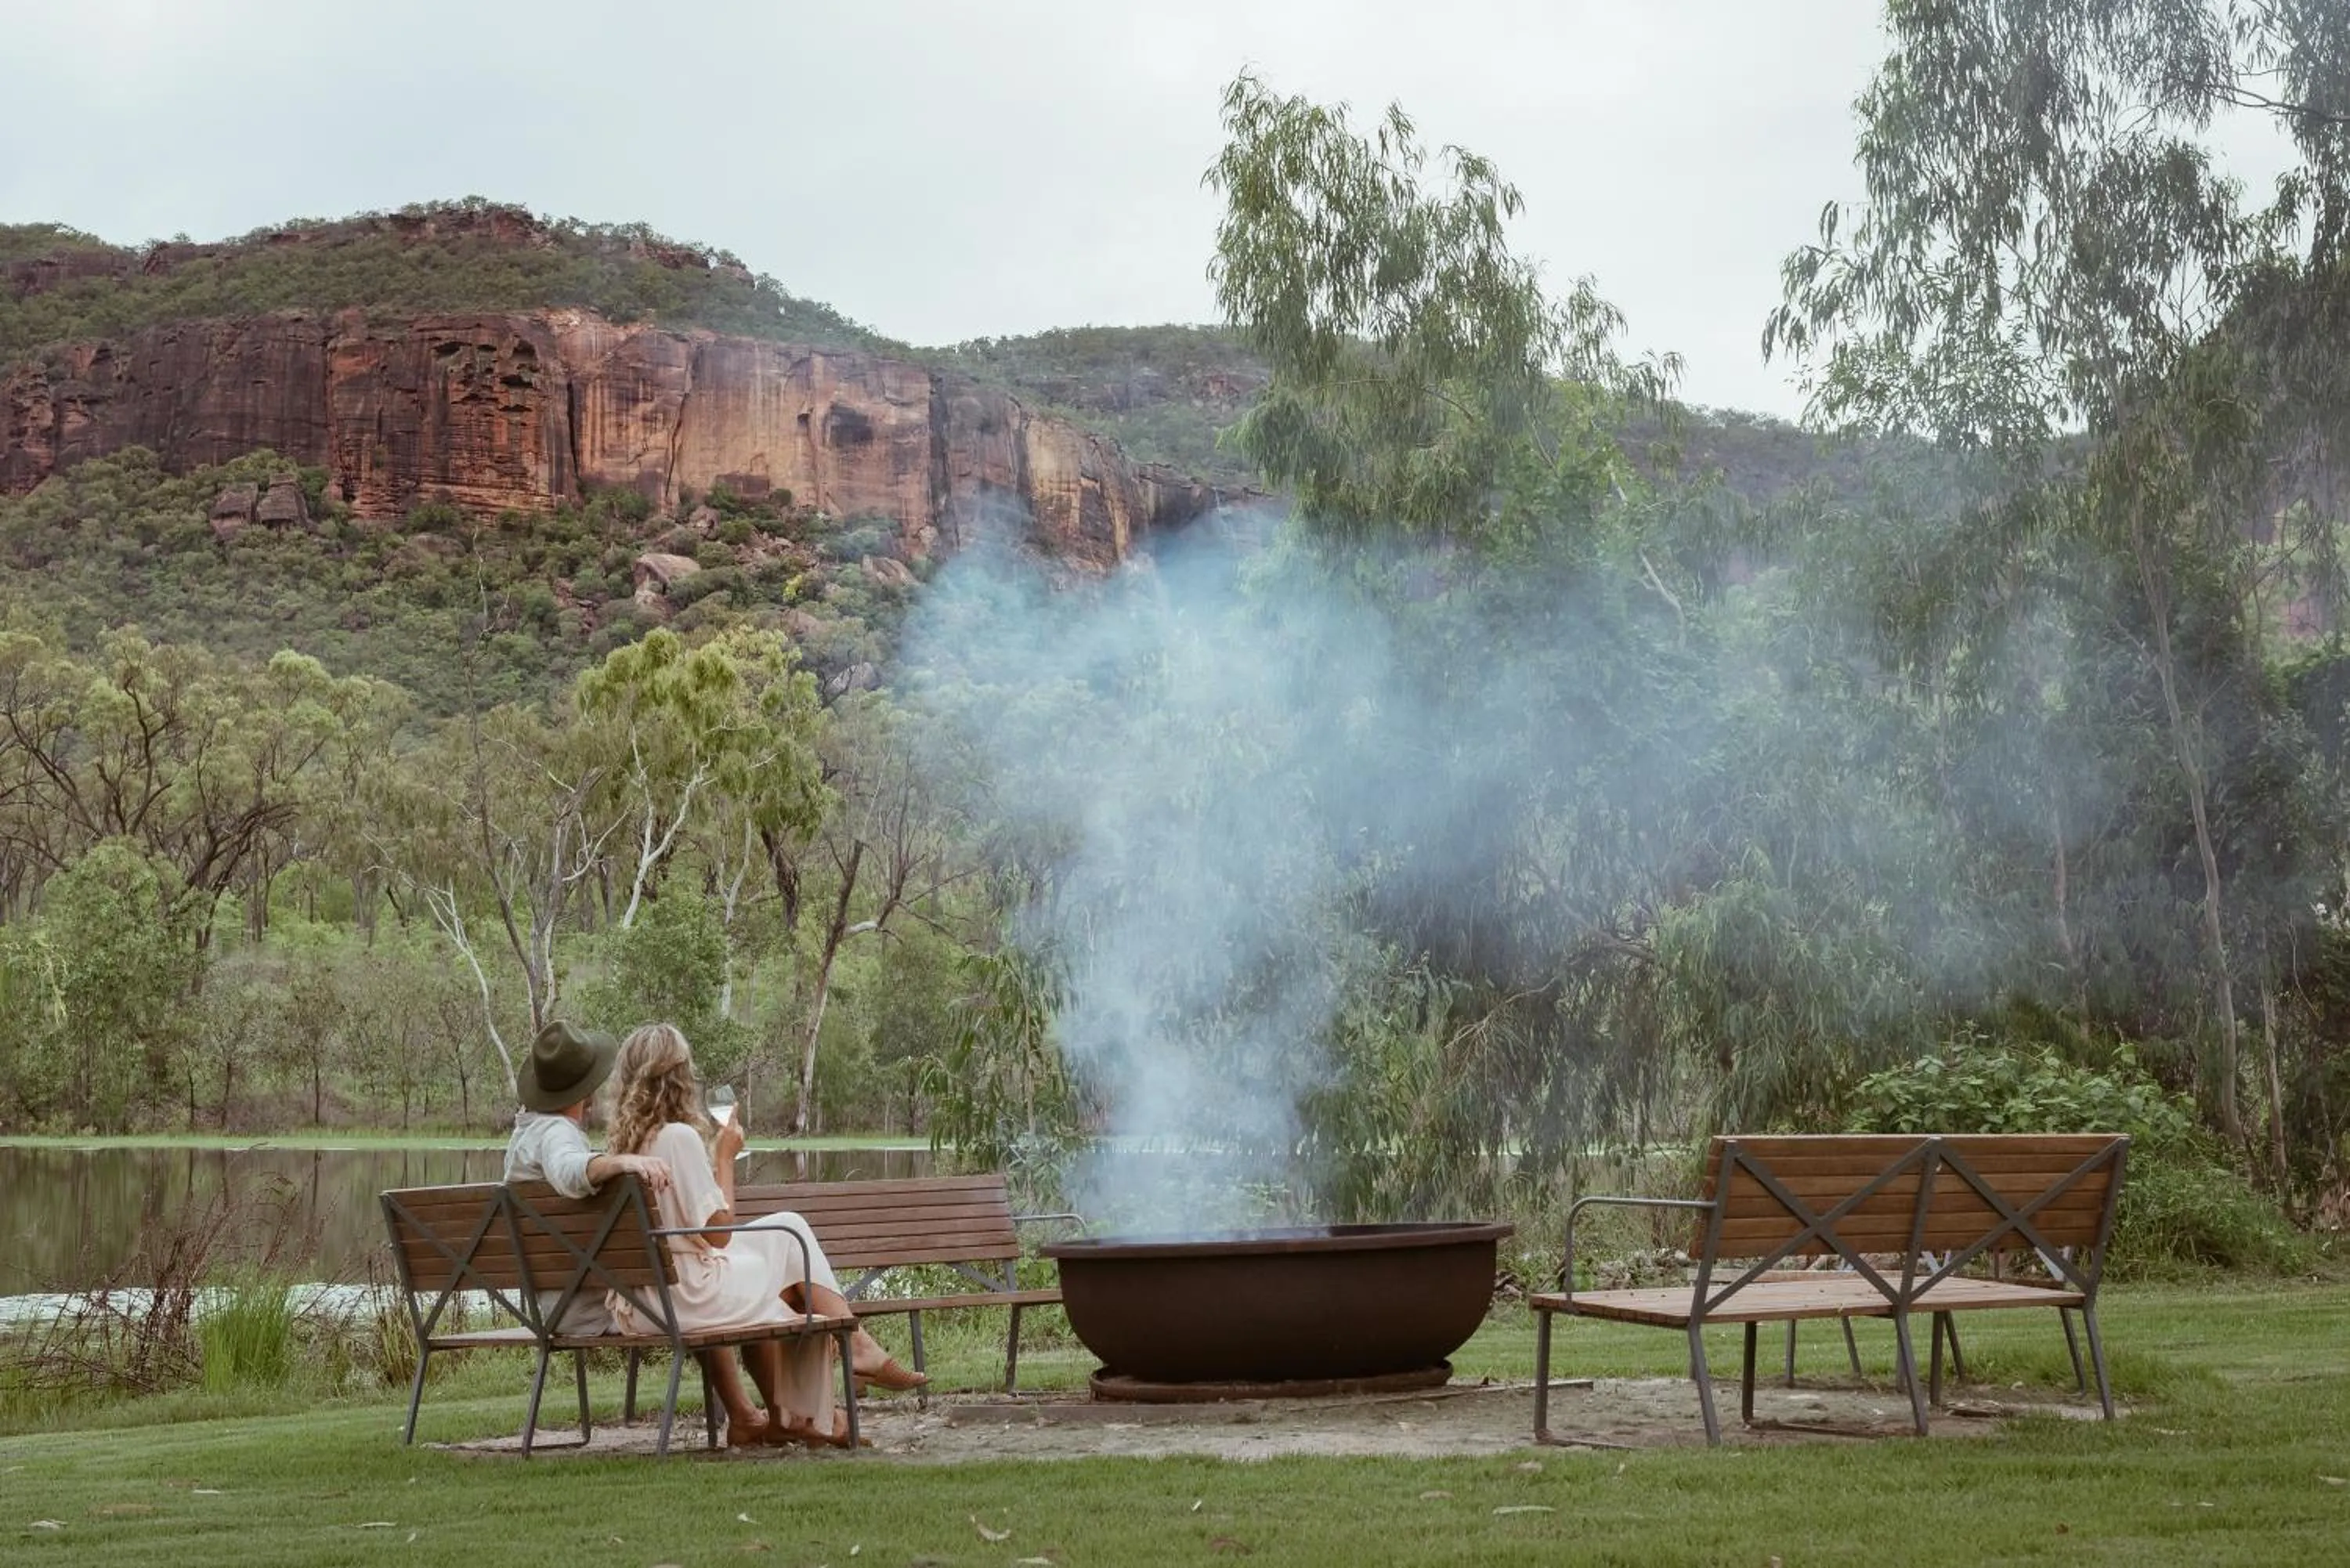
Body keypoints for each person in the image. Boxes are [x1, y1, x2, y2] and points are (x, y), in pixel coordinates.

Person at [603, 1021, 924, 1448]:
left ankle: (800, 1399)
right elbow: (717, 1234)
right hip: (685, 1296)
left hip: (645, 1299)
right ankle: (823, 1385)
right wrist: (725, 1157)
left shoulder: (628, 1145)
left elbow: (693, 1235)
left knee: (788, 1229)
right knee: (790, 1293)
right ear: (678, 1077)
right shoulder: (677, 1138)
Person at [501, 1018, 674, 1339]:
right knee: (707, 1300)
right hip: (585, 1309)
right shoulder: (555, 1132)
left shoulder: (525, 1135)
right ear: (585, 1089)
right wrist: (625, 1161)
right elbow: (569, 1172)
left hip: (553, 1305)